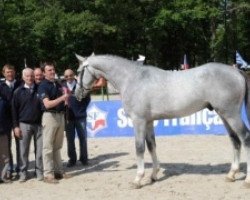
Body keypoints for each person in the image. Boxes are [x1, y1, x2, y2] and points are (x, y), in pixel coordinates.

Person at [38, 61, 70, 184]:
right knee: (48, 147)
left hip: (60, 116)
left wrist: (64, 101)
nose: (52, 72)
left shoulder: (57, 84)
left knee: (57, 146)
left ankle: (59, 171)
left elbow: (62, 101)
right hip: (49, 116)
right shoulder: (43, 85)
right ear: (44, 72)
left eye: (53, 69)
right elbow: (47, 104)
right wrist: (63, 98)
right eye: (49, 70)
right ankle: (48, 174)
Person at [12, 68, 43, 182]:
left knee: (39, 151)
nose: (30, 78)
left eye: (31, 76)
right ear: (23, 77)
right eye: (27, 76)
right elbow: (13, 110)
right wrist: (15, 126)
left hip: (39, 125)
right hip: (23, 124)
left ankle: (39, 172)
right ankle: (23, 173)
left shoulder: (40, 89)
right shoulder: (18, 92)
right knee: (23, 151)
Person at [62, 69, 90, 167]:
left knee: (83, 138)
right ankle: (72, 159)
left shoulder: (81, 85)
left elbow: (87, 99)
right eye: (66, 76)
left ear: (74, 75)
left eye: (70, 75)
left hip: (80, 117)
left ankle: (84, 158)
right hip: (68, 118)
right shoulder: (61, 87)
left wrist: (82, 110)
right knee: (70, 140)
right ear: (64, 77)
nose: (68, 77)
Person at [0, 64, 22, 180]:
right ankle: (9, 168)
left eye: (12, 71)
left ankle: (20, 167)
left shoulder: (21, 84)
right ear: (3, 73)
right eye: (7, 72)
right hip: (6, 121)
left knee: (20, 145)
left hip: (20, 118)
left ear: (15, 72)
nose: (10, 74)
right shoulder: (1, 86)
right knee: (6, 146)